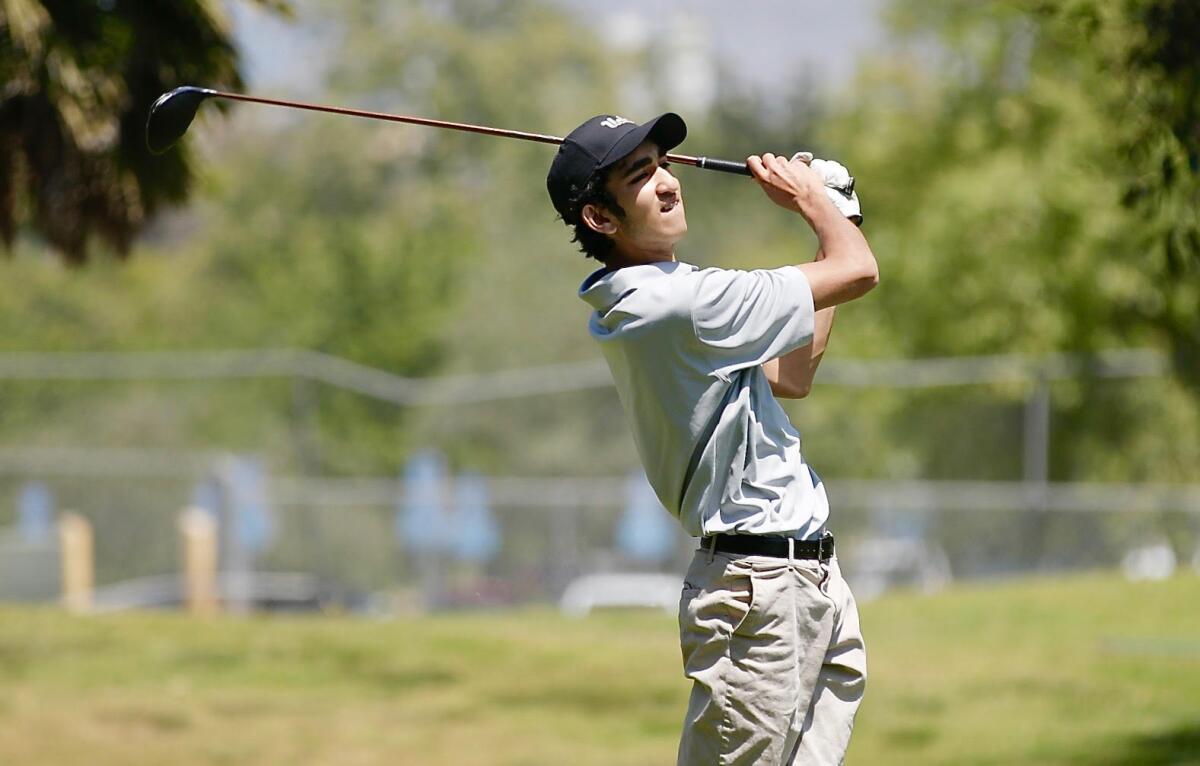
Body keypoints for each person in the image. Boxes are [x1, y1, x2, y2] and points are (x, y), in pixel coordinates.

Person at [546, 112, 878, 766]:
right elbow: (858, 270)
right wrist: (816, 202)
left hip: (798, 582)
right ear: (601, 219)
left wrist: (835, 218)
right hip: (759, 591)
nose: (668, 181)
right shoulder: (680, 304)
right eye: (641, 175)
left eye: (664, 163)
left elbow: (792, 372)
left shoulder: (661, 296)